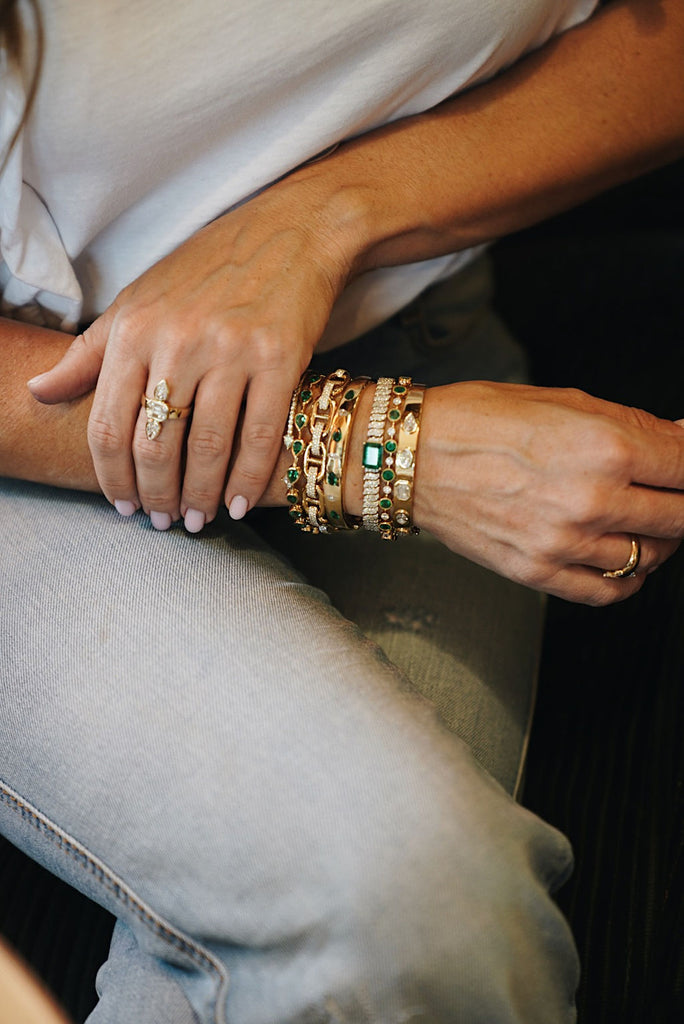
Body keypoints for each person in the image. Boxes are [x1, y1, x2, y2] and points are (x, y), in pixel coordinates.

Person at [1, 1, 683, 1021]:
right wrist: (390, 454)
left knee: (440, 939)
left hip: (406, 320)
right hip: (40, 412)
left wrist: (317, 219)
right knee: (412, 903)